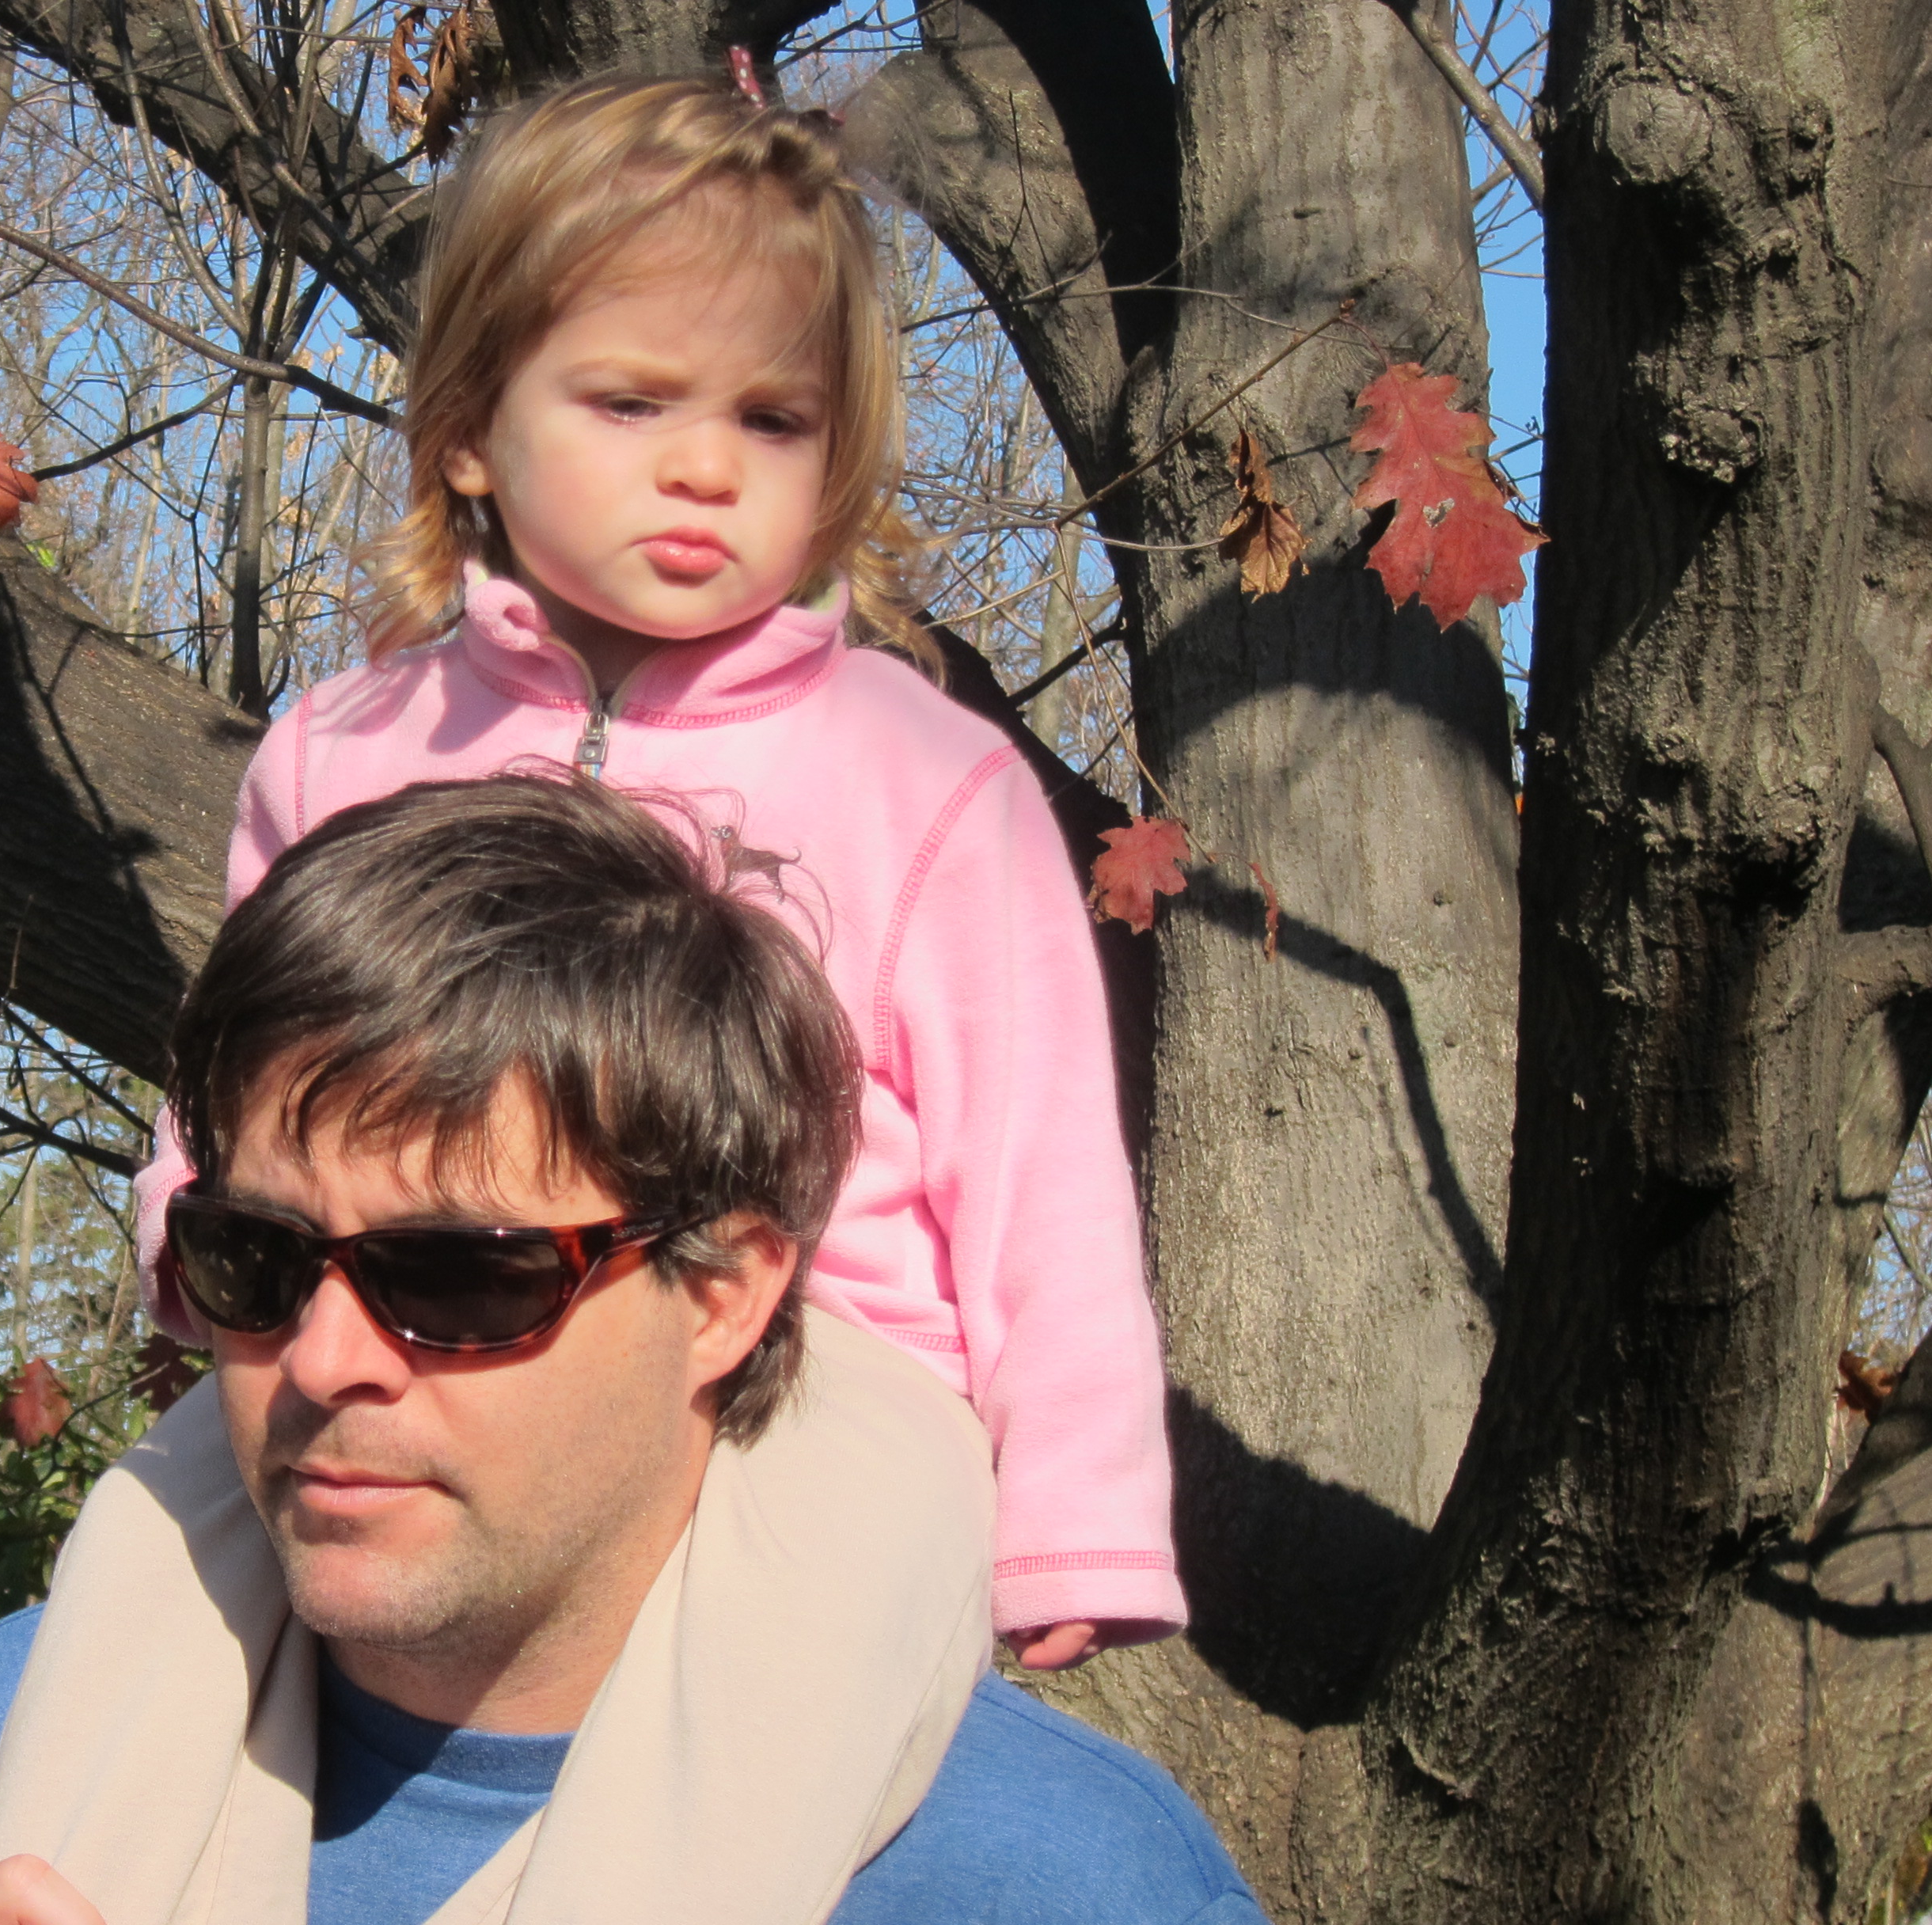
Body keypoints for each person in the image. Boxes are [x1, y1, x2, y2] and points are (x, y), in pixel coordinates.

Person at [129, 74, 1180, 1671]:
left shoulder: (923, 777)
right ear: (469, 429)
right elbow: (233, 1076)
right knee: (143, 1581)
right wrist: (204, 1246)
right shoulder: (346, 750)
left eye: (771, 420)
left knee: (730, 1744)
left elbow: (1041, 1180)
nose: (704, 466)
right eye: (631, 403)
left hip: (822, 1386)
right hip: (420, 1344)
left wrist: (1073, 1508)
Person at [0, 773, 1262, 1925]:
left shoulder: (1055, 1880)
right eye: (256, 1258)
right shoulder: (10, 1751)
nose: (324, 1359)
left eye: (460, 1277)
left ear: (725, 1294)